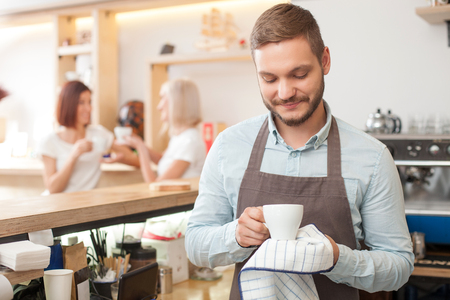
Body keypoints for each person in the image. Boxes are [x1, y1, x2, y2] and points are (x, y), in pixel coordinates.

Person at [185, 3, 414, 300]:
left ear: (325, 60)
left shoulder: (371, 157)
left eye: (299, 74)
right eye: (269, 78)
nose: (284, 92)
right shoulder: (229, 147)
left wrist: (338, 259)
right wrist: (236, 236)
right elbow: (195, 245)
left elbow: (399, 266)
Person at [37, 80, 139, 194]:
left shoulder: (99, 134)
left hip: (85, 205)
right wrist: (74, 155)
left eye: (89, 102)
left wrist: (119, 159)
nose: (89, 108)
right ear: (68, 105)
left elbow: (136, 160)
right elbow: (53, 189)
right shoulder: (49, 142)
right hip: (57, 206)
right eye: (81, 102)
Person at [117, 78, 206, 182]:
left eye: (162, 98)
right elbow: (162, 160)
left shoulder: (190, 142)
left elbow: (155, 185)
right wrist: (138, 142)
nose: (159, 107)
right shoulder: (180, 137)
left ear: (176, 102)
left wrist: (140, 147)